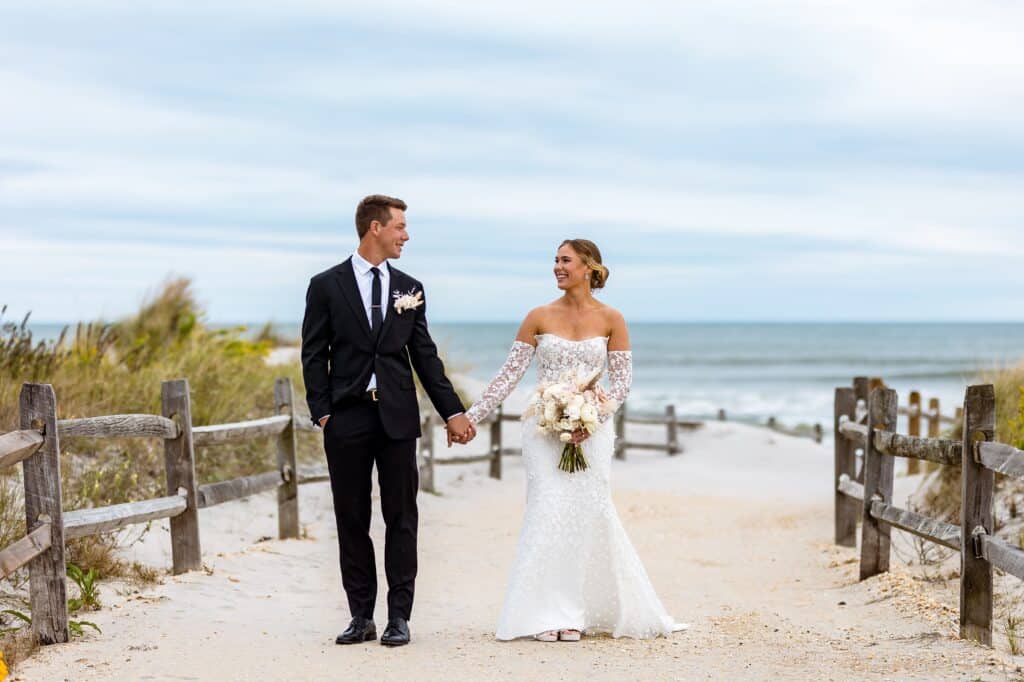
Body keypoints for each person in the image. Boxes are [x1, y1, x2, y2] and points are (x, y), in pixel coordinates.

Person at [464, 238, 686, 641]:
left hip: (592, 434)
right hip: (542, 432)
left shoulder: (612, 319)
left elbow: (622, 383)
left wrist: (595, 416)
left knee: (585, 516)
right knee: (547, 511)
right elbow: (508, 375)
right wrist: (472, 416)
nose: (557, 267)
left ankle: (575, 612)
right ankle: (546, 613)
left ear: (588, 267)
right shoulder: (538, 316)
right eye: (555, 260)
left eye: (565, 260)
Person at [301, 194, 475, 647]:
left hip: (398, 417)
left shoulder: (409, 287)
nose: (406, 235)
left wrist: (452, 411)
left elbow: (425, 357)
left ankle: (400, 617)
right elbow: (313, 354)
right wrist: (323, 413)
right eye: (399, 226)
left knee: (402, 517)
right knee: (351, 518)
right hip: (347, 418)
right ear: (374, 228)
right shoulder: (326, 285)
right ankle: (361, 616)